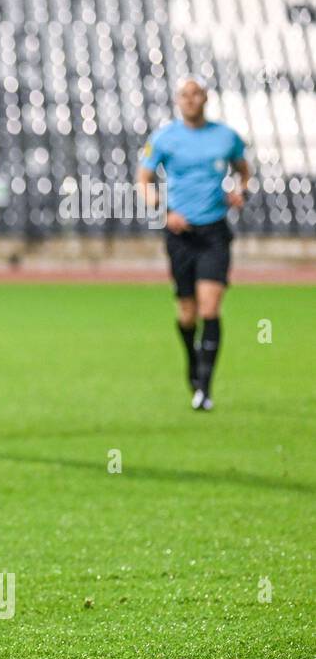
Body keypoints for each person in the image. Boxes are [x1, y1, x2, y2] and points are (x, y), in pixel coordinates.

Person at [138, 78, 249, 411]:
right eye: (184, 95)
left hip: (214, 231)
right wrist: (162, 210)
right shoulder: (164, 138)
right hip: (180, 234)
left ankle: (205, 386)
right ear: (177, 100)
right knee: (187, 314)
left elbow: (244, 171)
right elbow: (143, 179)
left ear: (205, 98)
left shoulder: (226, 137)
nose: (190, 100)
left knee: (209, 308)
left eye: (195, 94)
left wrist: (240, 190)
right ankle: (192, 359)